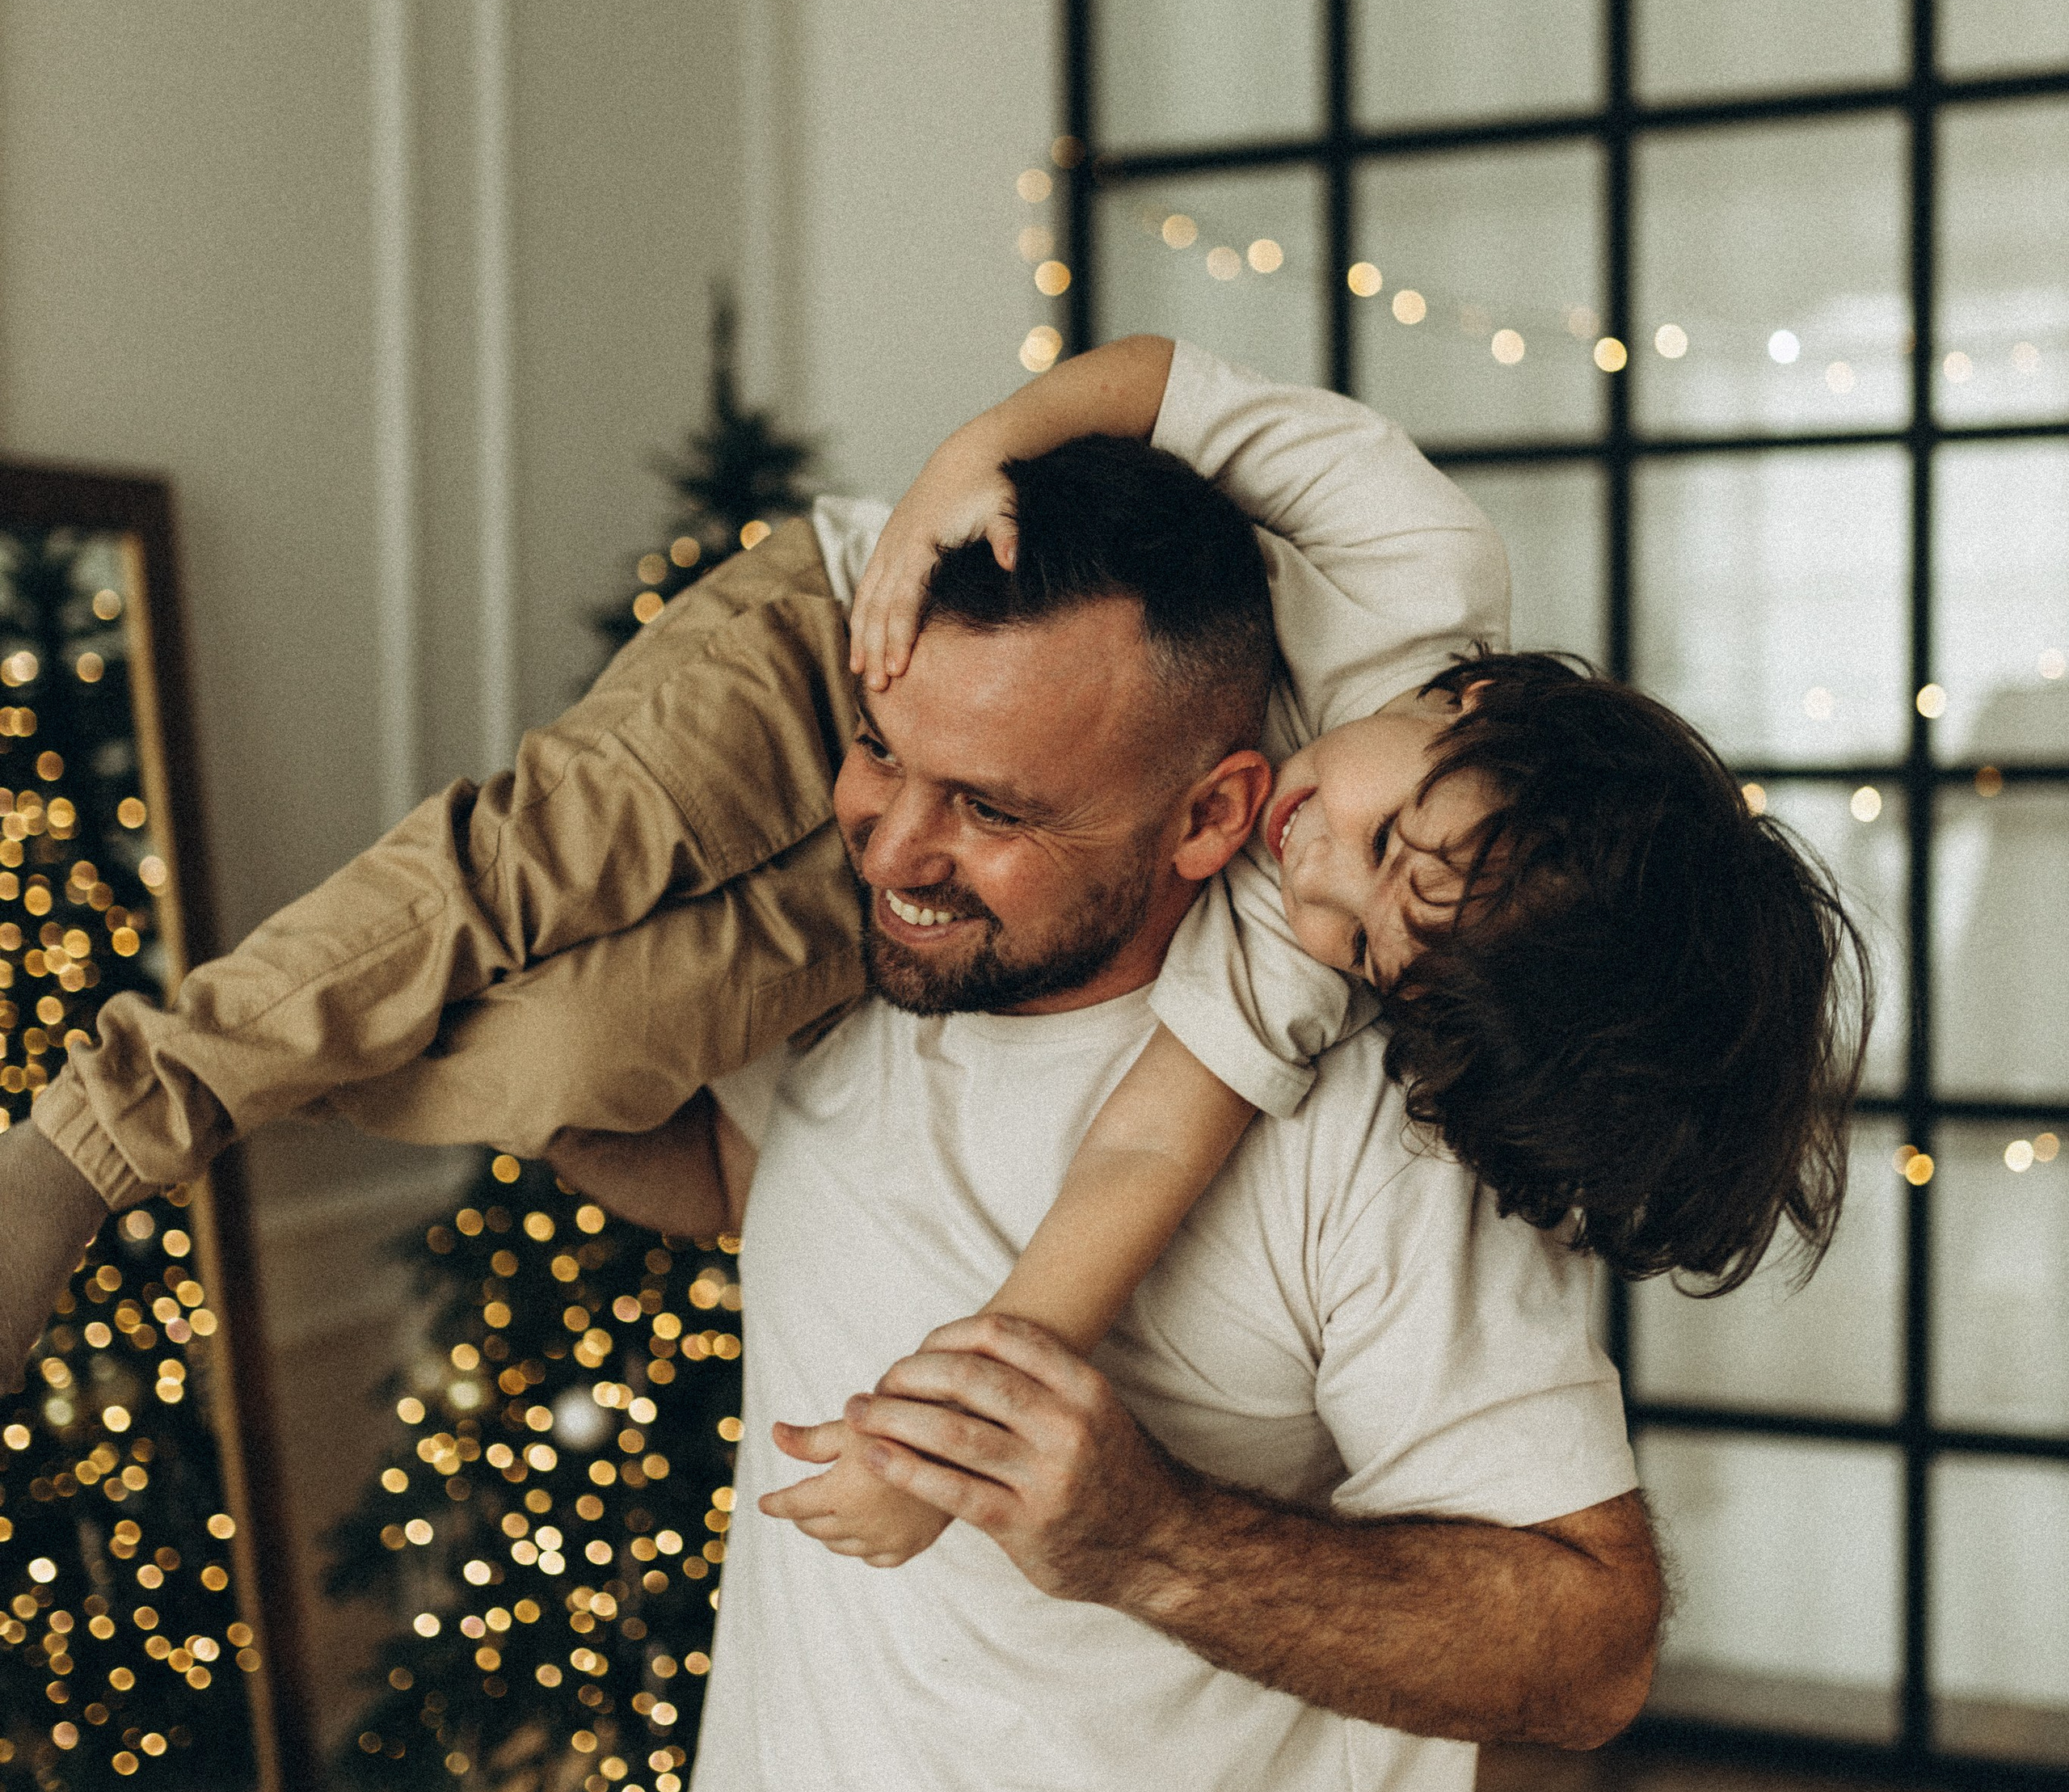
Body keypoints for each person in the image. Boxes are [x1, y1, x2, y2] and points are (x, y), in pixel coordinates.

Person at [0, 344, 1864, 1572]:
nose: (1314, 880)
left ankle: (266, 1067)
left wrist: (948, 1423)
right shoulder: (1411, 554)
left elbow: (1139, 1158)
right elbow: (1154, 384)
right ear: (1482, 708)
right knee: (545, 858)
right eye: (1378, 837)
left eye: (1357, 934)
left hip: (998, 833)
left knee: (582, 1057)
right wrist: (970, 459)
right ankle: (91, 1135)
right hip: (847, 619)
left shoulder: (1289, 953)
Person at [614, 428, 1663, 1792]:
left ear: (1215, 818)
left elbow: (1588, 1638)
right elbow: (752, 1189)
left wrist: (1147, 1533)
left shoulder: (1374, 1132)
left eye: (992, 808)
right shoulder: (876, 973)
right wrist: (536, 1068)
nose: (896, 845)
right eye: (887, 761)